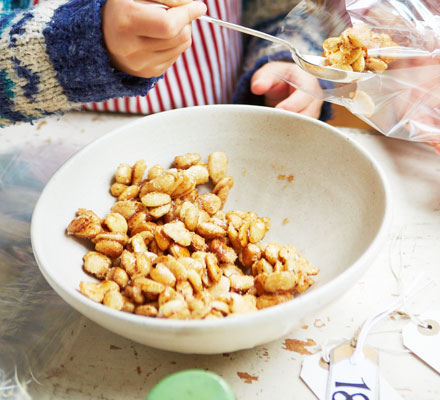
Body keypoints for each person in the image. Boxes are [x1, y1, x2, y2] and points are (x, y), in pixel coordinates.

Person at [0, 0, 331, 127]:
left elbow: (274, 7)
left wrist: (286, 57)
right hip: (60, 151)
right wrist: (79, 45)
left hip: (220, 132)